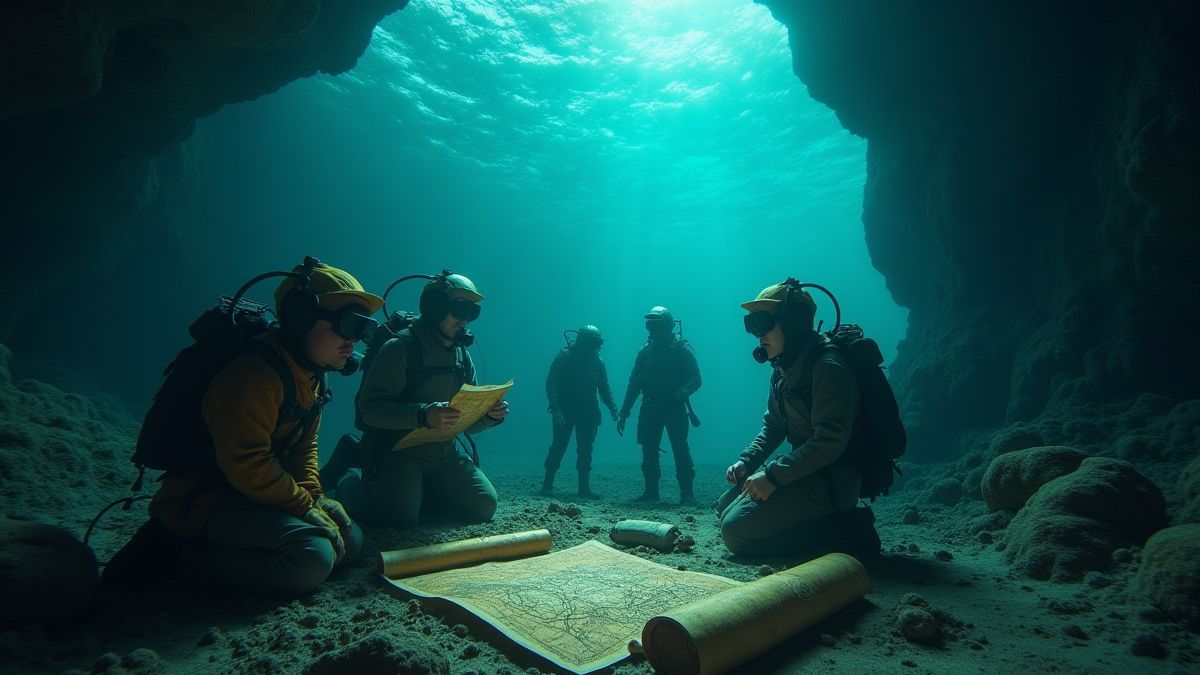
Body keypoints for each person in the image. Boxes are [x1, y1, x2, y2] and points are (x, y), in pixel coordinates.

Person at [105, 261, 383, 596]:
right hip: (204, 501)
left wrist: (316, 498)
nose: (354, 341)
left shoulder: (312, 375)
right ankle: (179, 557)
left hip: (256, 495)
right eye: (348, 325)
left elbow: (302, 450)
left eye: (362, 330)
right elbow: (247, 462)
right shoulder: (254, 376)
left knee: (349, 540)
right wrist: (303, 507)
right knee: (311, 559)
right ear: (301, 317)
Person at [332, 272, 508, 529]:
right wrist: (423, 415)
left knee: (483, 505)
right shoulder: (399, 348)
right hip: (399, 452)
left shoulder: (461, 356)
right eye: (460, 309)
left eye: (472, 312)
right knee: (398, 518)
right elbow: (369, 410)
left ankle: (417, 491)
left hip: (444, 452)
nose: (466, 319)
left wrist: (488, 418)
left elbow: (466, 424)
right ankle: (347, 480)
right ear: (434, 307)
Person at [718, 280, 880, 557]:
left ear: (792, 323)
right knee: (724, 508)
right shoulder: (784, 366)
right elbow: (774, 426)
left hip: (835, 478)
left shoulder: (828, 366)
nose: (758, 334)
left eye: (763, 323)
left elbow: (830, 441)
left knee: (735, 533)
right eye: (752, 325)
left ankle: (847, 528)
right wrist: (746, 461)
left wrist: (772, 477)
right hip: (808, 470)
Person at [618, 306, 702, 504]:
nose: (654, 330)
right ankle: (651, 491)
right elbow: (634, 384)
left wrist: (683, 392)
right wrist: (624, 413)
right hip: (650, 407)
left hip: (674, 407)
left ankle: (687, 493)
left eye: (658, 325)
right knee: (649, 450)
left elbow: (696, 378)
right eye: (650, 325)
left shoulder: (681, 350)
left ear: (669, 326)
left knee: (680, 449)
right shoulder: (644, 352)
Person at [542, 325, 620, 498]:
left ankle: (583, 488)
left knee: (586, 449)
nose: (596, 347)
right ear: (583, 342)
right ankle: (547, 484)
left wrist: (613, 408)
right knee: (558, 447)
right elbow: (551, 382)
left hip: (588, 412)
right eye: (593, 343)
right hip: (565, 410)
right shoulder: (564, 356)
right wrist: (556, 408)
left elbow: (604, 387)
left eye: (598, 343)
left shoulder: (597, 361)